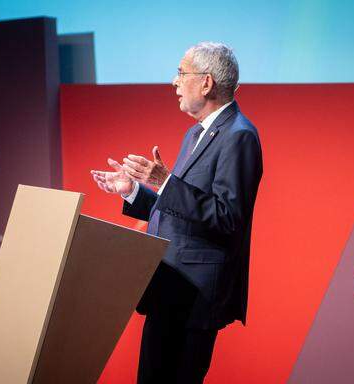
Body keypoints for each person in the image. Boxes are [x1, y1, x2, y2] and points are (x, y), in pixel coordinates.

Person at [90, 42, 262, 383]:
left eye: (182, 73)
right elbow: (179, 209)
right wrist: (134, 191)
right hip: (167, 288)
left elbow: (228, 217)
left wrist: (166, 181)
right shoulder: (195, 133)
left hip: (194, 299)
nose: (175, 81)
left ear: (207, 83)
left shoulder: (239, 137)